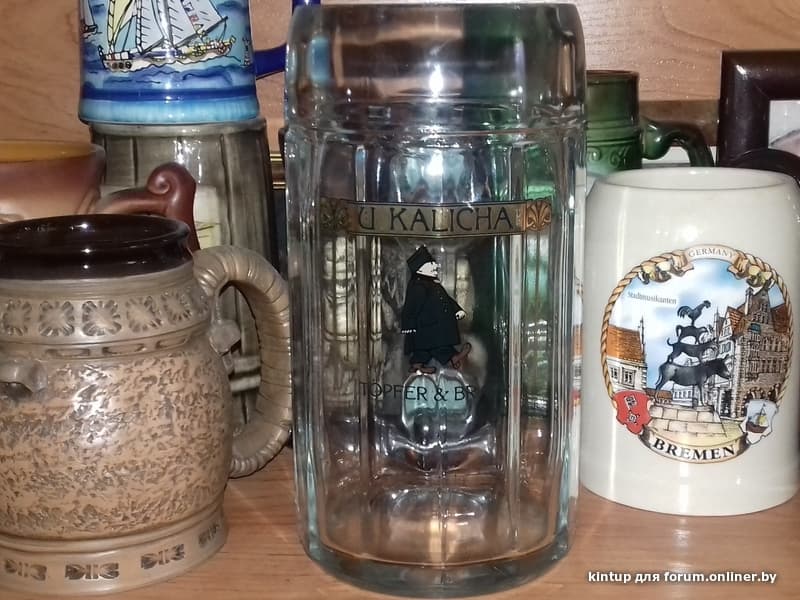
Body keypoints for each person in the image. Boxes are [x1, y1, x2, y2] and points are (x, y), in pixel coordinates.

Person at [400, 245, 471, 374]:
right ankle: (420, 365)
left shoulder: (433, 284)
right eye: (431, 264)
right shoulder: (417, 286)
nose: (436, 266)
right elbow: (411, 306)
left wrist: (457, 310)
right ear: (420, 268)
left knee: (438, 346)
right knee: (425, 349)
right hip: (425, 327)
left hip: (436, 327)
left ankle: (452, 359)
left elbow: (447, 299)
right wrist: (409, 324)